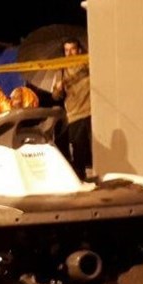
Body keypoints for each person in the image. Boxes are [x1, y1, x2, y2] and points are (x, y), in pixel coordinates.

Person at [52, 38, 93, 180]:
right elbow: (55, 96)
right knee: (78, 148)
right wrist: (58, 89)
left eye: (72, 49)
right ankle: (81, 179)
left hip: (91, 111)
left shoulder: (87, 64)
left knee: (95, 148)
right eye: (66, 50)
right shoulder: (61, 69)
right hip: (74, 114)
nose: (69, 53)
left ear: (79, 50)